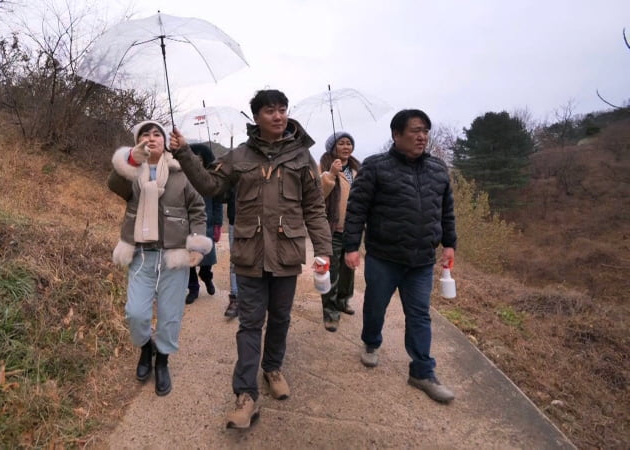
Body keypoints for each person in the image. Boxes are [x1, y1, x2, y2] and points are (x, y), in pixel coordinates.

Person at [169, 89, 332, 429]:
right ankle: (245, 396)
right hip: (249, 252)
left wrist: (323, 249)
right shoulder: (239, 156)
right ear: (256, 116)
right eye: (270, 110)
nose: (278, 116)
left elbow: (314, 208)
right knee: (250, 323)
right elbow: (210, 186)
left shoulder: (302, 157)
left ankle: (272, 368)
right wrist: (184, 152)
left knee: (282, 317)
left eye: (283, 109)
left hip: (286, 252)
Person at [343, 109, 457, 404]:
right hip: (384, 256)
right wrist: (351, 247)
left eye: (426, 131)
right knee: (375, 306)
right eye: (416, 130)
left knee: (419, 314)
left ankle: (422, 371)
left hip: (421, 260)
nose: (422, 137)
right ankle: (371, 342)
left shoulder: (438, 169)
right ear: (396, 135)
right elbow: (357, 210)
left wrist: (449, 243)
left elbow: (446, 211)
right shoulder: (375, 167)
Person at [107, 120, 213, 397]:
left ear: (166, 141)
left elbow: (198, 210)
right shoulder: (131, 172)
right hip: (141, 253)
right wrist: (131, 161)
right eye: (146, 134)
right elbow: (114, 185)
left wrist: (196, 244)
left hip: (173, 254)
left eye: (157, 134)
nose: (152, 138)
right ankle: (146, 349)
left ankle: (163, 359)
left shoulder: (182, 172)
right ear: (138, 140)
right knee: (136, 312)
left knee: (170, 315)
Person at [318, 131, 360, 332]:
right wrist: (332, 174)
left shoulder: (356, 169)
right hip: (333, 228)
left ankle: (343, 301)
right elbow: (319, 194)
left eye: (349, 143)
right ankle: (330, 311)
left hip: (353, 229)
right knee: (331, 271)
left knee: (348, 270)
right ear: (333, 147)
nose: (346, 147)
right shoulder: (325, 166)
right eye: (341, 143)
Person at [185, 143, 223, 304]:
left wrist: (217, 224)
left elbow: (218, 202)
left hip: (207, 222)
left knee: (207, 259)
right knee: (188, 260)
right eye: (193, 158)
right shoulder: (183, 176)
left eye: (199, 158)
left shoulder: (212, 178)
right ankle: (193, 288)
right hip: (186, 224)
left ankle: (206, 276)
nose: (196, 162)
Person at [223, 186, 239, 318]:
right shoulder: (233, 166)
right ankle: (235, 298)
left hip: (257, 221)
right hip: (235, 220)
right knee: (235, 260)